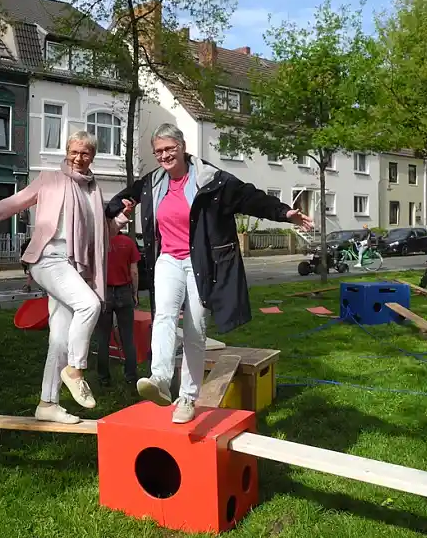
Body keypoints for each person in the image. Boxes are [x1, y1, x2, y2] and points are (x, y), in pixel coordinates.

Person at [105, 124, 313, 424]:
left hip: (200, 263)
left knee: (195, 327)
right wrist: (116, 208)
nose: (164, 155)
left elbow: (249, 197)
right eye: (159, 151)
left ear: (182, 146)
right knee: (163, 314)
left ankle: (187, 398)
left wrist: (284, 213)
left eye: (169, 149)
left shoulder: (210, 180)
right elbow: (123, 198)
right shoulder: (152, 182)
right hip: (166, 260)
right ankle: (160, 378)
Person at [0, 131, 131, 424]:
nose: (78, 158)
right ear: (67, 152)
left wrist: (121, 219)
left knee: (60, 339)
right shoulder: (50, 179)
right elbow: (14, 202)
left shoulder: (92, 190)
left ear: (93, 157)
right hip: (48, 259)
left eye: (85, 154)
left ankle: (47, 403)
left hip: (75, 267)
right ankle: (76, 370)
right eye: (74, 152)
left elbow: (100, 234)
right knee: (90, 305)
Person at [94, 225, 141, 387]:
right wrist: (134, 293)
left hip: (104, 292)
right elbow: (134, 271)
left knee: (103, 338)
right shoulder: (128, 242)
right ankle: (131, 375)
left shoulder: (99, 243)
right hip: (124, 291)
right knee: (127, 337)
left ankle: (103, 377)